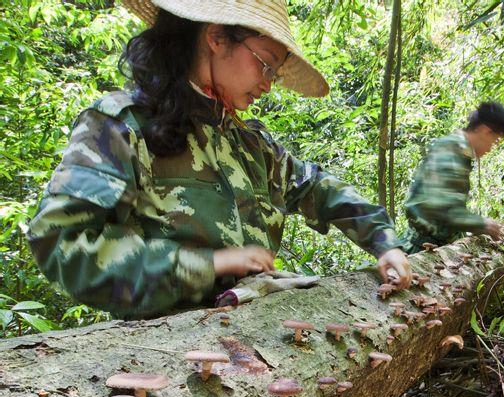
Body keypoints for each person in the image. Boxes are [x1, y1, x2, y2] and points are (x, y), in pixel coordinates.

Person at [27, 0, 411, 320]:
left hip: (260, 341)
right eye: (266, 64)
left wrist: (384, 241)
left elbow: (316, 186)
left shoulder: (249, 143)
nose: (268, 83)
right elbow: (62, 243)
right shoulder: (123, 126)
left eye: (275, 73)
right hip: (171, 358)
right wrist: (207, 264)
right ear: (216, 37)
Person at [403, 101, 504, 253]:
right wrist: (482, 224)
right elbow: (441, 209)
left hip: (440, 246)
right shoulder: (450, 150)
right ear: (485, 131)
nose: (491, 148)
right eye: (495, 141)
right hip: (421, 249)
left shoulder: (460, 152)